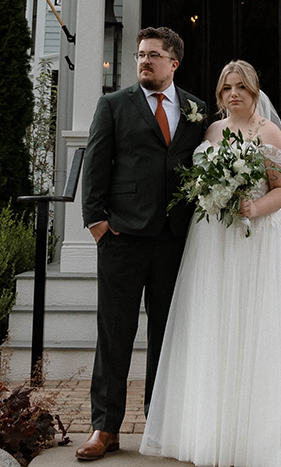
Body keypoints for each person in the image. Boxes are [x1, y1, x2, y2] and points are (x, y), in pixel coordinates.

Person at [140, 59, 281, 467]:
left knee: (255, 323)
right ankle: (213, 419)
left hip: (255, 239)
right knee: (216, 323)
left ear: (255, 91)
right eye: (226, 88)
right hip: (212, 241)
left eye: (241, 87)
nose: (233, 95)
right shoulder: (211, 131)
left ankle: (258, 421)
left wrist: (252, 206)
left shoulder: (269, 133)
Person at [76, 26, 210, 462]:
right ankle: (105, 427)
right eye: (140, 55)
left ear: (174, 62)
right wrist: (96, 222)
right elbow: (96, 164)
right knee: (115, 333)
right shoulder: (114, 105)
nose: (144, 61)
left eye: (154, 55)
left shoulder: (196, 110)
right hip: (122, 237)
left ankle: (160, 421)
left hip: (174, 239)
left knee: (165, 334)